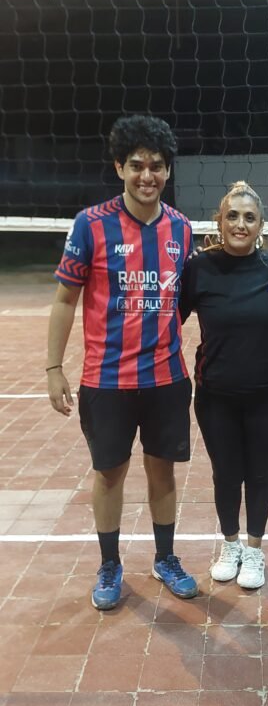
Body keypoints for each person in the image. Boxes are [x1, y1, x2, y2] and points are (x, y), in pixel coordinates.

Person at [47, 114, 198, 609]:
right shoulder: (91, 224)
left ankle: (165, 558)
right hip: (106, 379)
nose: (146, 176)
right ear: (119, 167)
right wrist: (53, 368)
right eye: (137, 165)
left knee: (162, 472)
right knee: (109, 473)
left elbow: (186, 299)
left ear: (168, 170)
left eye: (156, 166)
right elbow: (65, 299)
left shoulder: (181, 228)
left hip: (166, 377)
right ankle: (110, 564)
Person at [180, 181, 268, 589]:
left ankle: (255, 550)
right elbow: (169, 318)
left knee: (259, 472)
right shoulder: (199, 269)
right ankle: (231, 545)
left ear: (261, 225)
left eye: (249, 217)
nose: (240, 224)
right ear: (220, 222)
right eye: (233, 216)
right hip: (216, 395)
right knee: (226, 473)